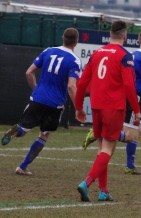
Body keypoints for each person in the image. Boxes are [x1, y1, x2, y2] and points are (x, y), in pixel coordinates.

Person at [83, 30, 141, 175]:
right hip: (132, 97)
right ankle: (100, 136)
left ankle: (129, 164)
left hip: (122, 96)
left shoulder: (132, 55)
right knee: (132, 133)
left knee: (134, 131)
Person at [75, 20, 141, 202]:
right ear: (125, 35)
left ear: (111, 35)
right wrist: (136, 110)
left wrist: (79, 107)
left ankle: (103, 191)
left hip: (96, 106)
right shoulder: (125, 56)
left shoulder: (96, 53)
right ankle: (86, 183)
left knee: (101, 149)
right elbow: (129, 85)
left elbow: (81, 82)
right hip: (113, 107)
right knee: (108, 149)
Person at [1, 28, 81, 175]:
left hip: (38, 98)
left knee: (24, 128)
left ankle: (16, 130)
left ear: (62, 37)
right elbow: (71, 86)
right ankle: (22, 167)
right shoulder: (75, 61)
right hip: (55, 104)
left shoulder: (48, 51)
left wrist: (36, 89)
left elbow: (29, 72)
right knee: (44, 134)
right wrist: (78, 108)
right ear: (76, 42)